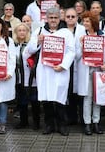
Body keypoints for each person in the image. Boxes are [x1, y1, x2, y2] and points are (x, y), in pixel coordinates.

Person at [28, 7, 75, 136]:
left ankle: (61, 125)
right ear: (46, 19)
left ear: (59, 18)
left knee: (60, 98)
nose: (53, 20)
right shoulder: (39, 31)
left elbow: (71, 51)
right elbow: (30, 49)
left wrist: (63, 65)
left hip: (60, 70)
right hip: (44, 70)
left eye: (55, 18)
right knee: (46, 98)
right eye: (51, 18)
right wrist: (38, 41)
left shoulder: (66, 32)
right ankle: (49, 124)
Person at [75, 11, 105, 135]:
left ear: (93, 22)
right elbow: (77, 56)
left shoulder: (102, 35)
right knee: (87, 97)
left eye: (87, 21)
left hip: (98, 70)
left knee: (97, 97)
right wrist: (81, 44)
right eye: (83, 21)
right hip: (86, 70)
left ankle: (96, 122)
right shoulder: (80, 35)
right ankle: (87, 123)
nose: (85, 23)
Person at [12, 23, 40, 130]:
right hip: (19, 77)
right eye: (19, 30)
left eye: (24, 30)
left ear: (28, 32)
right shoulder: (13, 45)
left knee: (34, 101)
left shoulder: (31, 45)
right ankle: (23, 122)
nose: (22, 32)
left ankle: (36, 122)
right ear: (16, 32)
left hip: (31, 77)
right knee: (22, 101)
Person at [64, 8, 85, 125]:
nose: (71, 19)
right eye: (68, 16)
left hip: (79, 64)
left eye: (73, 16)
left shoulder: (82, 30)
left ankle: (82, 118)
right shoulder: (62, 30)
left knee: (80, 92)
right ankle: (70, 118)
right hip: (66, 65)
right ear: (64, 18)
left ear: (77, 18)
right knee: (68, 91)